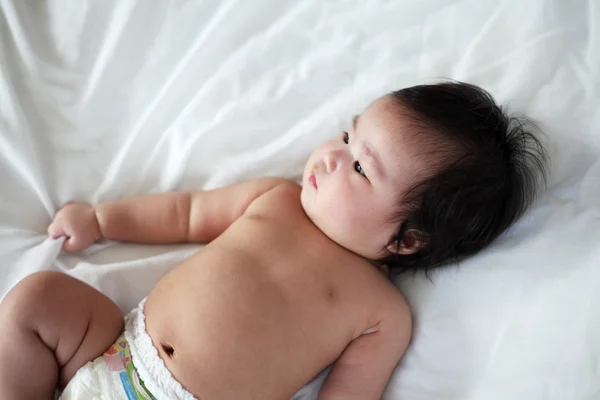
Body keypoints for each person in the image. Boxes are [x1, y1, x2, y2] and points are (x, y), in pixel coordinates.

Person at [0, 81, 548, 400]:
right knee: (38, 298)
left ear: (407, 239)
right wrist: (100, 220)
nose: (332, 155)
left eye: (359, 167)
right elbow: (185, 213)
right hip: (113, 356)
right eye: (345, 134)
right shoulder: (275, 198)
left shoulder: (381, 313)